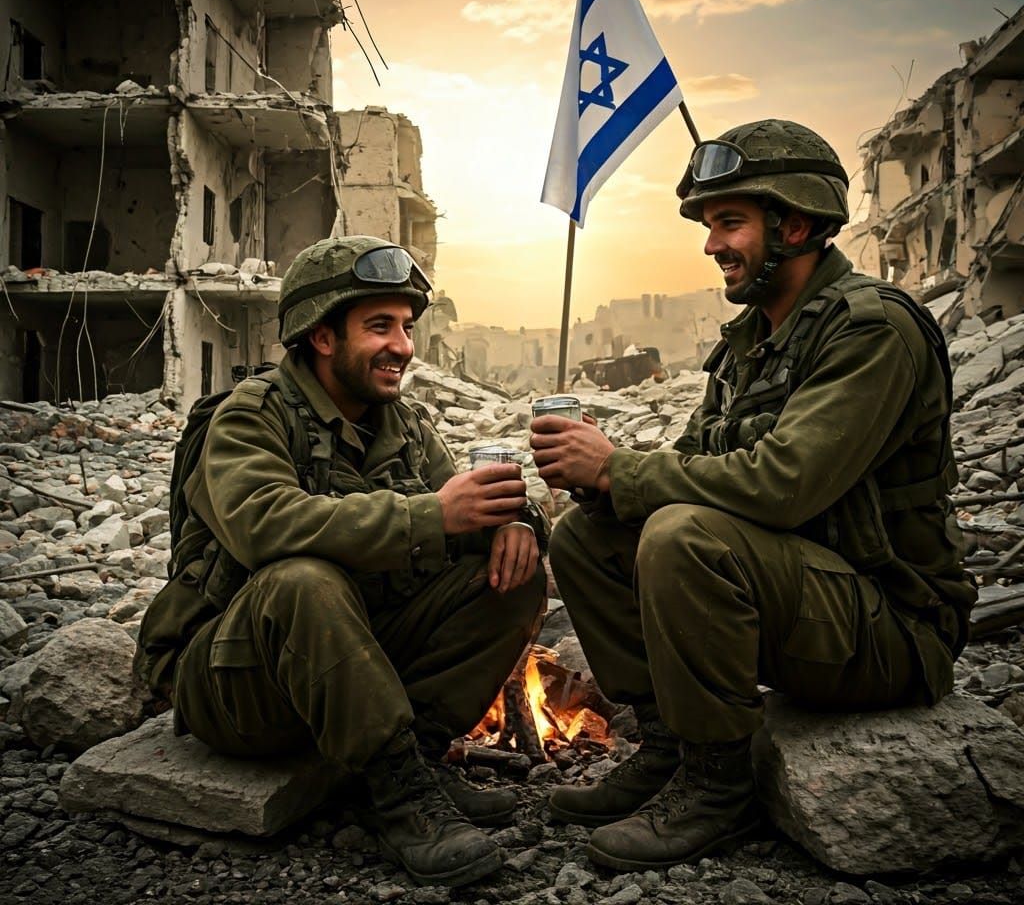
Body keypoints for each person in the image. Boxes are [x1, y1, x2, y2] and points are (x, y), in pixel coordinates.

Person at [529, 119, 977, 873]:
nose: (712, 246)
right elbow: (700, 461)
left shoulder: (873, 329)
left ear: (795, 224)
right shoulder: (752, 341)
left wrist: (621, 469)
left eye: (730, 222)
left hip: (890, 625)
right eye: (710, 225)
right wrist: (601, 480)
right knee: (585, 535)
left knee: (679, 535)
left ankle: (718, 784)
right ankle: (671, 746)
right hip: (803, 598)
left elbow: (783, 483)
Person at [136, 235, 548, 888]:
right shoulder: (252, 415)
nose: (404, 348)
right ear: (323, 337)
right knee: (303, 578)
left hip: (342, 663)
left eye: (407, 328)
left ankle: (415, 757)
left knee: (512, 578)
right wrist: (430, 516)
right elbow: (263, 527)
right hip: (236, 678)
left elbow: (466, 511)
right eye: (379, 327)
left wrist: (520, 524)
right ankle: (399, 794)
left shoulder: (403, 426)